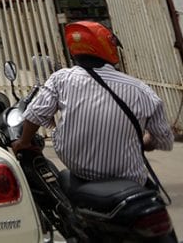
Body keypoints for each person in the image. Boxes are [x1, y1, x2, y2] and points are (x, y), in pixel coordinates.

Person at [12, 21, 173, 186]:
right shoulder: (141, 90)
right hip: (130, 181)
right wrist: (141, 142)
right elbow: (163, 139)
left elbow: (35, 114)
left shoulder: (61, 79)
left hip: (79, 175)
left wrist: (23, 142)